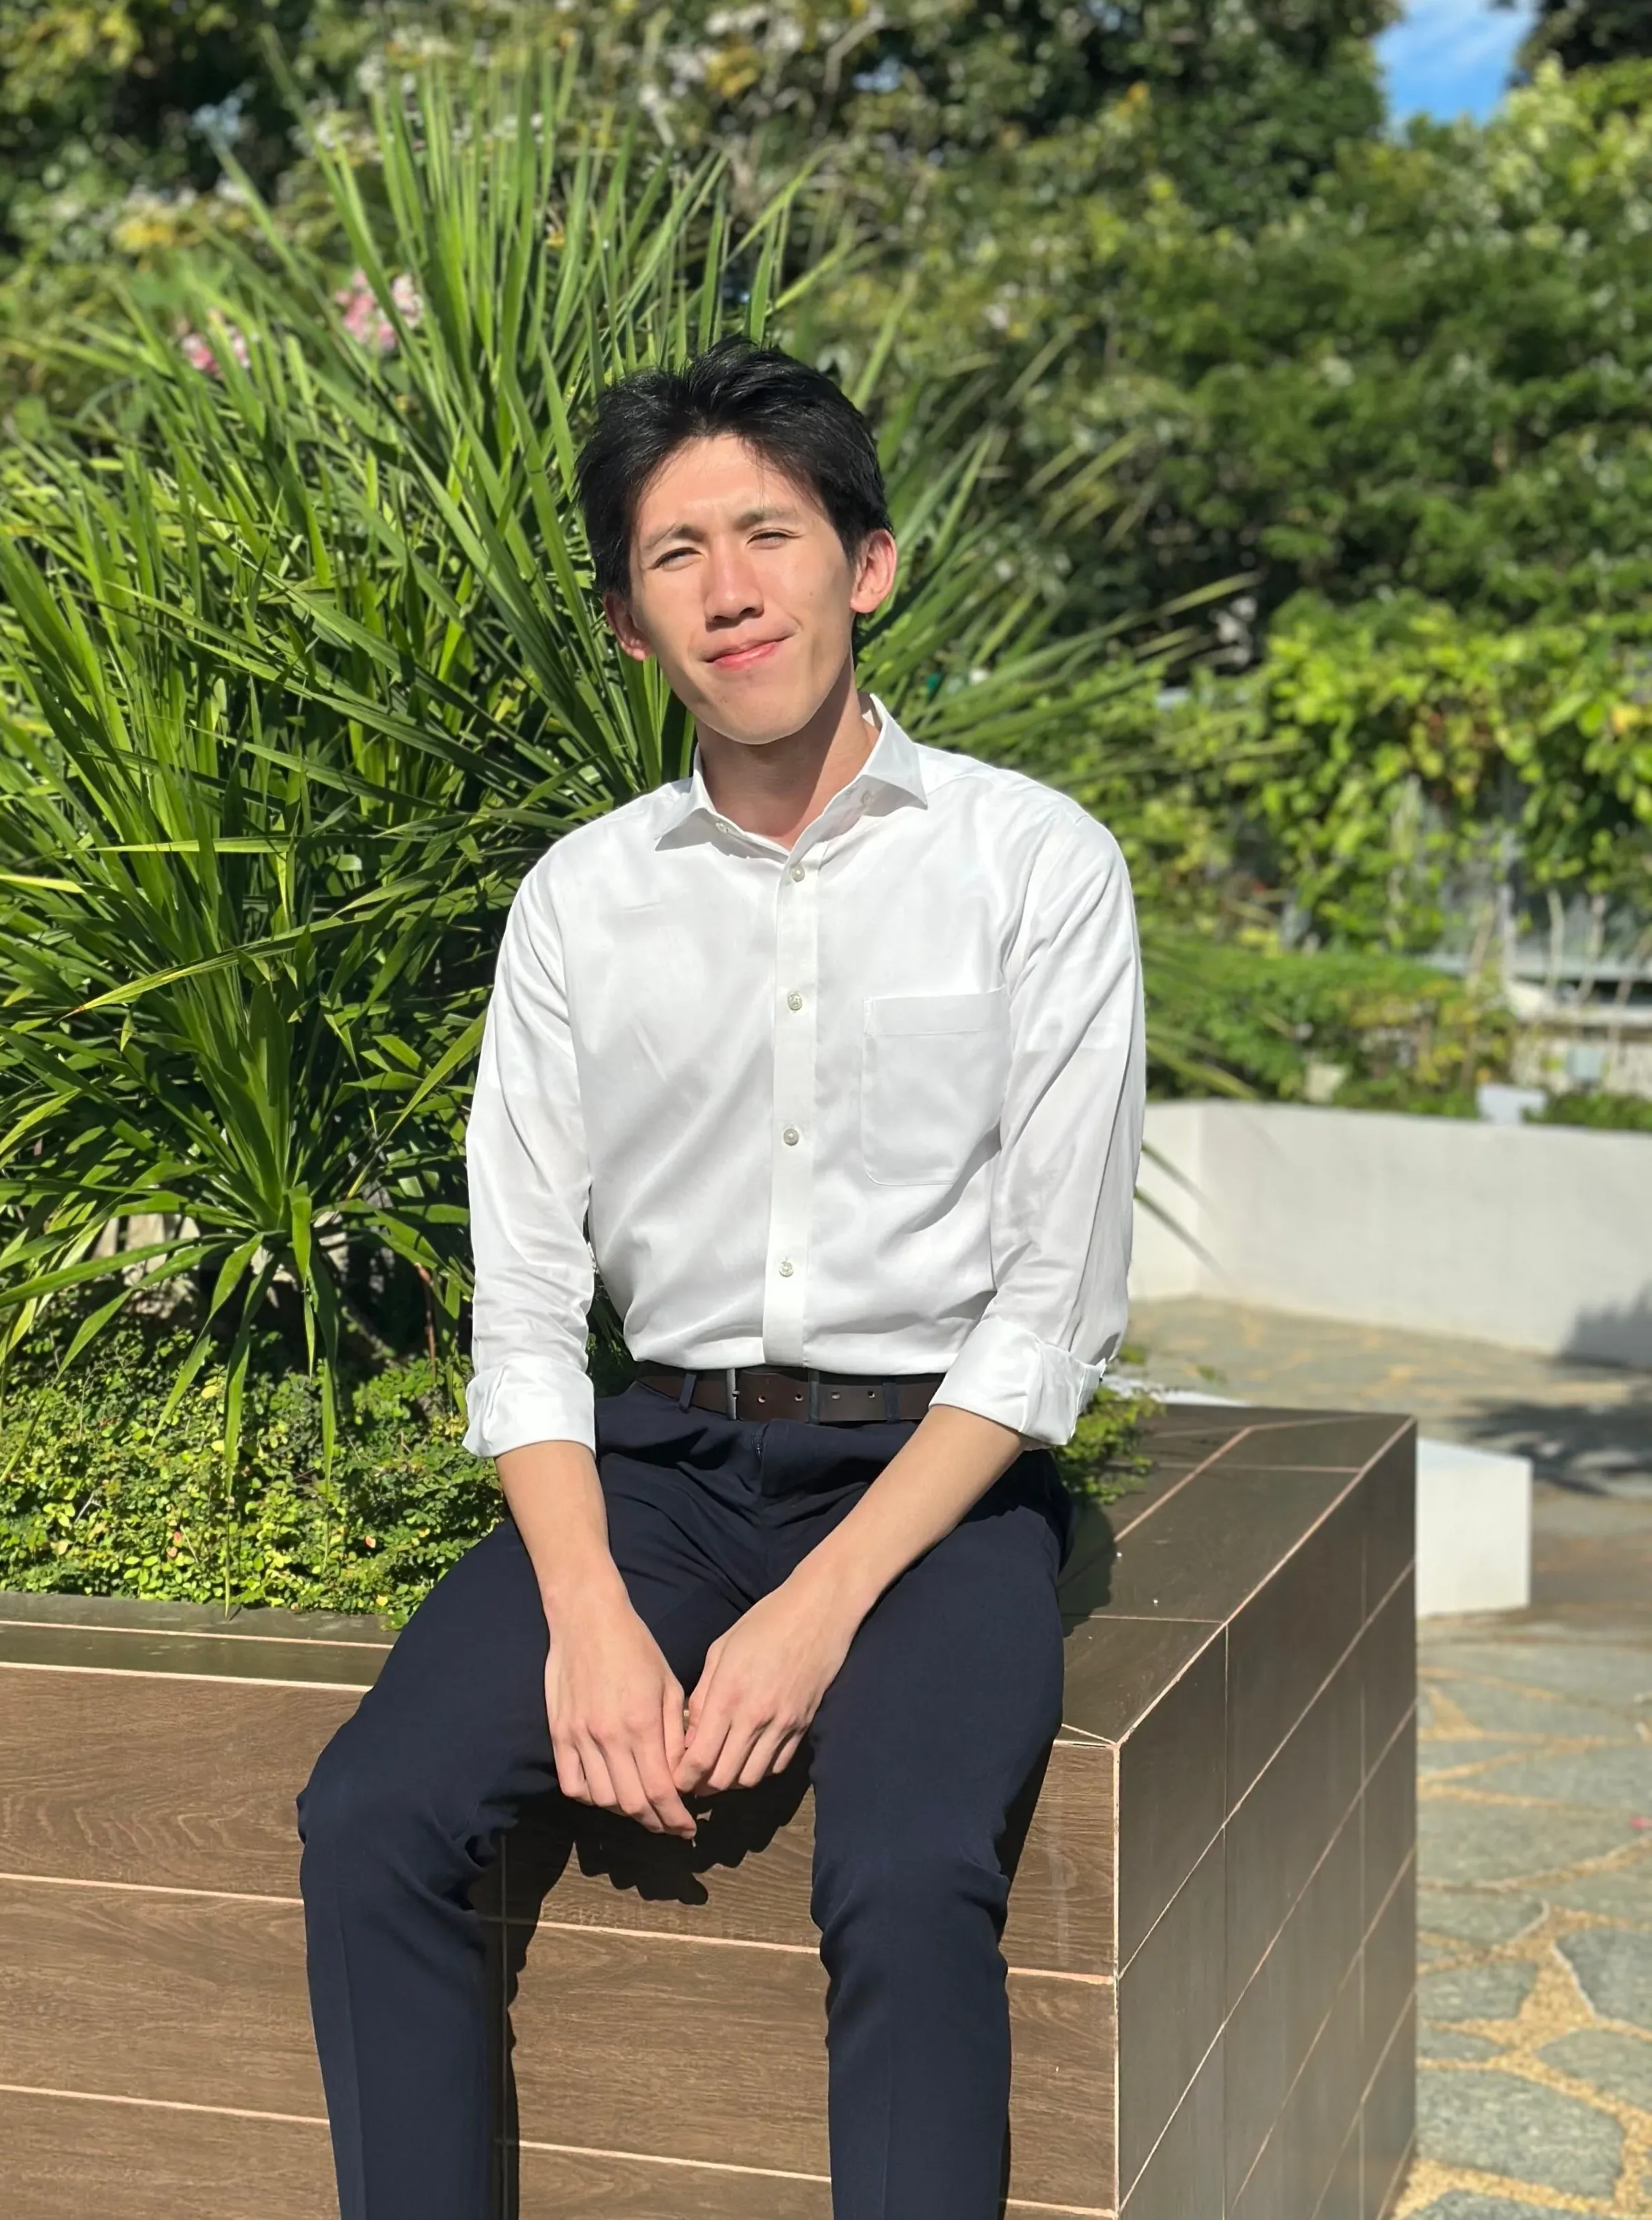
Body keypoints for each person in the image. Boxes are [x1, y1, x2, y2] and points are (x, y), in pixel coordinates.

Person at [298, 337, 1146, 2220]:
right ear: (625, 622)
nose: (728, 584)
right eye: (673, 554)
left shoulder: (1031, 867)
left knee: (910, 1870)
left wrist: (817, 1611)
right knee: (369, 1816)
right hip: (659, 1472)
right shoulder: (580, 902)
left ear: (869, 563)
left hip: (933, 1490)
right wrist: (592, 1614)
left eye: (768, 529)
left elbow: (1045, 1310)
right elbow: (521, 1308)